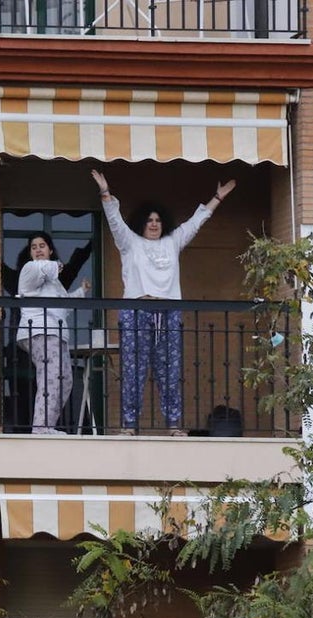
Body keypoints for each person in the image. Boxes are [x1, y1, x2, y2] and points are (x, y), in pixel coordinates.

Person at [91, 168, 236, 436]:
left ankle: (173, 426)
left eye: (158, 220)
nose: (154, 224)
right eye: (149, 220)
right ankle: (129, 426)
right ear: (141, 223)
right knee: (133, 371)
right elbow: (114, 220)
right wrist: (105, 192)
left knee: (169, 371)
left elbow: (195, 222)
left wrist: (217, 197)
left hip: (168, 313)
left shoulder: (172, 241)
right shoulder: (130, 243)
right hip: (136, 312)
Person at [1, 238, 93, 432]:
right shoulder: (29, 269)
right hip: (40, 331)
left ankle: (47, 424)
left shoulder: (55, 283)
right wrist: (56, 264)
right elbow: (40, 269)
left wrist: (81, 292)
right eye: (34, 247)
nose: (38, 250)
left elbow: (63, 307)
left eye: (42, 246)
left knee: (66, 379)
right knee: (51, 376)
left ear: (50, 249)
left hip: (55, 333)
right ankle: (41, 427)